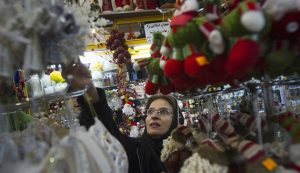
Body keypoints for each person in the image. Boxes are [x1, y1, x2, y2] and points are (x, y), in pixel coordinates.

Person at [62, 61, 183, 173]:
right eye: (150, 112)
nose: (154, 116)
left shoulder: (190, 154)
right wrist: (89, 87)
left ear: (176, 120)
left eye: (163, 111)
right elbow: (105, 128)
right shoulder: (135, 150)